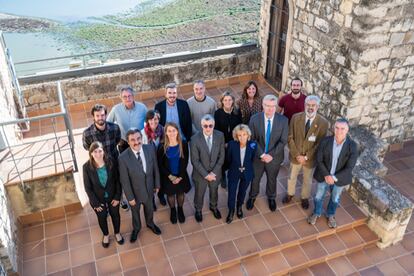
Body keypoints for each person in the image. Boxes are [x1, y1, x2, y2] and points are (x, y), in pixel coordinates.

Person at [307, 118, 358, 228]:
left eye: (342, 129)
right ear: (333, 128)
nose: (339, 131)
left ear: (347, 130)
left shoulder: (352, 146)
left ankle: (330, 215)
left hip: (340, 178)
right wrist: (327, 175)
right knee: (318, 196)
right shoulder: (325, 141)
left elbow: (349, 167)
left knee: (335, 198)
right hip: (323, 175)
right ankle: (316, 212)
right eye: (337, 128)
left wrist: (333, 178)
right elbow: (319, 159)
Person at [282, 95, 329, 210]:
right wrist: (297, 154)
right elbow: (290, 137)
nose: (310, 107)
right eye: (308, 105)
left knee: (307, 180)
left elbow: (320, 143)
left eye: (313, 105)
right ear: (304, 105)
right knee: (291, 177)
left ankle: (304, 197)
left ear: (317, 107)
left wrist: (306, 157)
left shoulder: (323, 123)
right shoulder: (295, 117)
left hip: (310, 159)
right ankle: (290, 194)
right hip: (295, 156)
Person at [118, 129, 162, 243]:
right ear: (128, 142)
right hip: (134, 193)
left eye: (138, 138)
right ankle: (136, 228)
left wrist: (157, 184)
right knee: (135, 212)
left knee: (150, 208)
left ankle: (150, 223)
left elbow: (155, 168)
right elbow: (125, 180)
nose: (136, 142)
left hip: (149, 189)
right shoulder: (123, 158)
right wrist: (130, 197)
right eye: (132, 140)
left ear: (141, 138)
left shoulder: (150, 149)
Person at [246, 94, 288, 212]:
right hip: (257, 157)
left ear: (276, 107)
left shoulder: (283, 120)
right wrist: (262, 154)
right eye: (267, 106)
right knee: (255, 179)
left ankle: (271, 197)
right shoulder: (254, 119)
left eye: (273, 106)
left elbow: (283, 141)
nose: (270, 109)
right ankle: (252, 196)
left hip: (274, 158)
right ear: (262, 106)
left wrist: (270, 155)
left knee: (272, 179)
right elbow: (251, 140)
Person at [83, 141, 123, 248]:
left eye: (100, 151)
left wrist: (117, 196)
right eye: (95, 152)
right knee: (102, 217)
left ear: (103, 151)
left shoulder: (111, 162)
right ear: (91, 153)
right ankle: (106, 235)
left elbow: (117, 181)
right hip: (97, 199)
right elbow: (88, 187)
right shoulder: (86, 167)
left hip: (112, 196)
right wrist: (95, 203)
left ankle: (117, 233)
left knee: (115, 215)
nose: (98, 154)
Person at [190, 115, 225, 222]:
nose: (208, 128)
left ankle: (213, 207)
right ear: (201, 126)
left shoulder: (220, 136)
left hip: (215, 173)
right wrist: (206, 175)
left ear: (214, 125)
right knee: (199, 193)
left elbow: (222, 156)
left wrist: (213, 173)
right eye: (205, 126)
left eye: (210, 125)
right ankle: (198, 210)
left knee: (214, 191)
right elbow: (195, 161)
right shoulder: (194, 139)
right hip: (201, 174)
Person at [157, 123, 191, 224]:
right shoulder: (162, 146)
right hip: (168, 176)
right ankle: (173, 210)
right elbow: (160, 165)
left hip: (181, 174)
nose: (172, 133)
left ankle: (180, 209)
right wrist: (171, 177)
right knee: (170, 194)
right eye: (169, 131)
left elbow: (185, 160)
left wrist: (180, 176)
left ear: (177, 131)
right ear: (166, 133)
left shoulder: (183, 143)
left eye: (174, 130)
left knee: (180, 193)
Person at [225, 124, 256, 224]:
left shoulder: (253, 145)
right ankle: (231, 210)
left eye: (244, 134)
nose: (242, 137)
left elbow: (253, 159)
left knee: (242, 191)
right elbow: (228, 159)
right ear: (236, 136)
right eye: (239, 135)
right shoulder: (231, 145)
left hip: (247, 173)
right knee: (232, 192)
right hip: (234, 172)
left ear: (248, 135)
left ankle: (239, 207)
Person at [214, 91, 242, 188]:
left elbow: (240, 127)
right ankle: (222, 177)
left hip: (234, 141)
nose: (227, 102)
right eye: (225, 100)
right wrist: (224, 143)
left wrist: (235, 141)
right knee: (222, 159)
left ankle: (232, 175)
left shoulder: (237, 111)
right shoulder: (218, 113)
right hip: (223, 142)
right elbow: (216, 130)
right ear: (222, 101)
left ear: (233, 101)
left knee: (234, 159)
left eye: (230, 100)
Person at [107, 85, 148, 153]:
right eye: (124, 97)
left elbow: (149, 122)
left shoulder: (142, 108)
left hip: (139, 141)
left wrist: (146, 136)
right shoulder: (116, 109)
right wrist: (116, 138)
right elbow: (107, 124)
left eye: (129, 96)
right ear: (121, 98)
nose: (127, 98)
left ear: (133, 96)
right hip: (124, 143)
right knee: (126, 163)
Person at [141, 110, 164, 210]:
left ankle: (161, 195)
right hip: (149, 161)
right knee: (151, 181)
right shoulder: (143, 133)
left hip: (160, 159)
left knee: (161, 178)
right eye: (151, 119)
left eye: (156, 119)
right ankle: (152, 200)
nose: (153, 121)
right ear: (147, 120)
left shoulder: (162, 129)